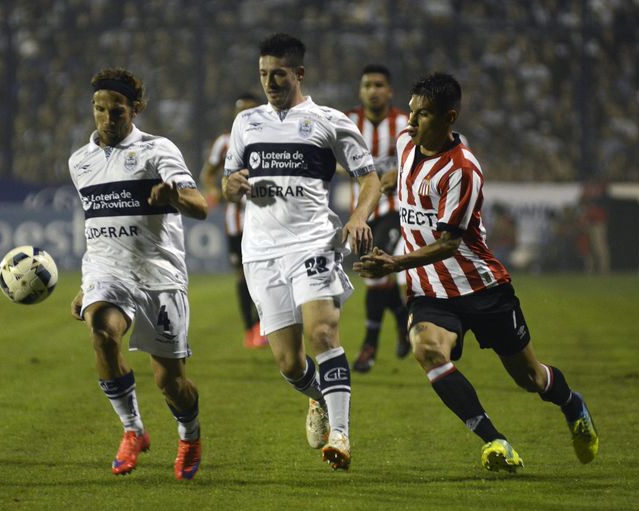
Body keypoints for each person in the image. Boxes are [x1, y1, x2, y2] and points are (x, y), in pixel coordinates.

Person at [354, 72, 599, 472]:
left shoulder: (462, 170)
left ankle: (572, 403)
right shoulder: (406, 143)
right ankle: (495, 441)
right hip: (430, 291)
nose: (412, 123)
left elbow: (450, 244)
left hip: (481, 288)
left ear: (450, 118)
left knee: (530, 379)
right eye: (412, 114)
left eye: (424, 116)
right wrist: (381, 190)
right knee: (427, 349)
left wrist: (395, 262)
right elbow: (398, 175)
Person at [222, 33, 380, 471]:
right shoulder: (246, 123)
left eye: (278, 74)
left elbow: (370, 178)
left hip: (313, 243)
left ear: (299, 74)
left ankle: (342, 436)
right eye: (263, 74)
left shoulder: (327, 121)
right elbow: (230, 180)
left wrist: (359, 218)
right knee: (290, 363)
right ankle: (319, 399)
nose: (270, 82)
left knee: (323, 333)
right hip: (261, 252)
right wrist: (230, 185)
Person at [69, 68, 208, 480]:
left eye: (116, 112)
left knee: (171, 383)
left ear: (136, 109)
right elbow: (95, 225)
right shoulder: (80, 161)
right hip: (108, 272)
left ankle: (189, 435)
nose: (106, 120)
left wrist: (174, 196)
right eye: (98, 110)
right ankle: (133, 430)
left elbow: (200, 207)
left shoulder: (157, 150)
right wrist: (85, 287)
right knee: (101, 331)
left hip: (159, 277)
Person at [345, 64, 411, 373]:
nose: (373, 90)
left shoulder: (405, 123)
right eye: (367, 85)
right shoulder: (346, 122)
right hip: (360, 215)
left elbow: (422, 154)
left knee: (376, 274)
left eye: (379, 85)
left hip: (395, 210)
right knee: (377, 277)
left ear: (389, 91)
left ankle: (368, 348)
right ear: (360, 91)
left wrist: (399, 172)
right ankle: (402, 319)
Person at [200, 92, 267, 349]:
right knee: (241, 275)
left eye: (251, 110)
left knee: (262, 275)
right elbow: (208, 173)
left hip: (263, 219)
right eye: (242, 110)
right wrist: (214, 190)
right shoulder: (225, 142)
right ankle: (249, 328)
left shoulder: (270, 138)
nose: (246, 115)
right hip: (235, 221)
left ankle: (264, 325)